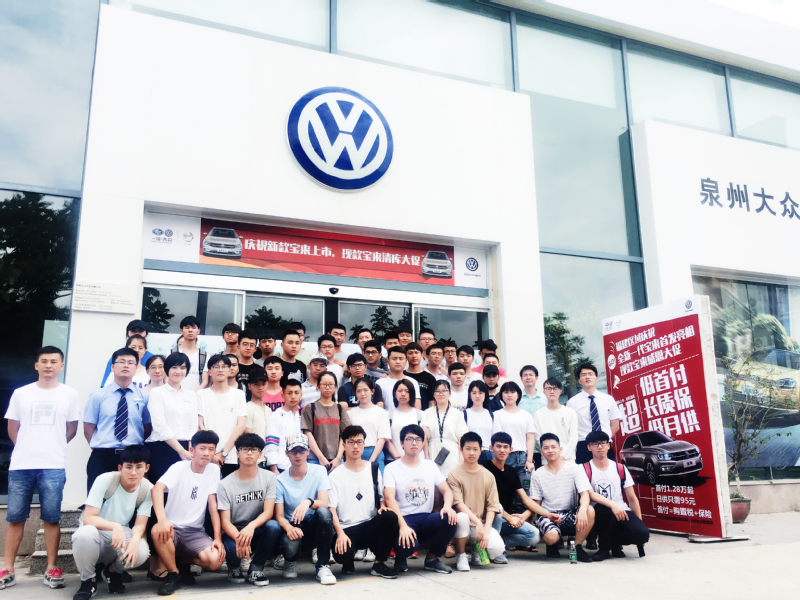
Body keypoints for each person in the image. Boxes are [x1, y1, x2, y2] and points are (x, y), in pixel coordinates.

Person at [2, 347, 79, 591]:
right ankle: (8, 569)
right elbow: (12, 428)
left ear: (61, 366)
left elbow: (72, 429)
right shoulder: (21, 393)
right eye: (44, 361)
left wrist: (52, 446)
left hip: (53, 465)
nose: (48, 365)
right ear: (36, 365)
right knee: (15, 518)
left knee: (51, 518)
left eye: (53, 362)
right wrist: (27, 447)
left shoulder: (70, 394)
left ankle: (51, 568)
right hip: (21, 465)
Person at [71, 445, 153, 600]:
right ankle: (88, 580)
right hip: (96, 533)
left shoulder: (148, 489)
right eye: (129, 467)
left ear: (146, 468)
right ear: (120, 468)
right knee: (84, 533)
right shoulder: (105, 480)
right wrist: (115, 526)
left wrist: (135, 539)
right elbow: (88, 518)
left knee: (142, 550)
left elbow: (140, 524)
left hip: (119, 536)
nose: (133, 472)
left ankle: (113, 572)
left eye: (138, 467)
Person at [151, 431, 225, 595]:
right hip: (172, 529)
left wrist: (217, 538)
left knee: (216, 560)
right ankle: (173, 575)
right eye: (202, 448)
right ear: (192, 450)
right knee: (157, 530)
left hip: (195, 531)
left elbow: (213, 506)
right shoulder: (179, 467)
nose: (206, 453)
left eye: (211, 449)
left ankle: (181, 562)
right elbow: (156, 489)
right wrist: (162, 520)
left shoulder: (213, 470)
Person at [383, 424, 458, 574]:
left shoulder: (430, 466)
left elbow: (447, 491)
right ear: (402, 443)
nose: (414, 443)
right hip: (403, 518)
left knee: (449, 519)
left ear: (423, 443)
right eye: (409, 439)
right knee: (407, 546)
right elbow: (389, 498)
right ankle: (400, 557)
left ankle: (432, 559)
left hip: (425, 519)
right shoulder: (392, 468)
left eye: (418, 439)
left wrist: (447, 507)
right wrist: (403, 526)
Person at [329, 425, 399, 578]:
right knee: (342, 555)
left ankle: (379, 564)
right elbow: (331, 508)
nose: (356, 446)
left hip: (369, 525)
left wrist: (382, 506)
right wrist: (340, 533)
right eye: (351, 442)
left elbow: (381, 497)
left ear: (364, 444)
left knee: (390, 517)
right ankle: (348, 561)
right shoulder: (335, 475)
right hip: (347, 528)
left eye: (359, 442)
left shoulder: (373, 469)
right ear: (344, 445)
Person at [84, 347, 152, 493]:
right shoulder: (97, 396)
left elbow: (147, 426)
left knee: (130, 499)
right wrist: (100, 445)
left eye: (130, 363)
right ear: (112, 367)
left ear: (136, 368)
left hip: (133, 457)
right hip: (103, 456)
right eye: (121, 362)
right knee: (98, 498)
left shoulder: (145, 397)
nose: (126, 365)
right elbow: (88, 427)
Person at [218, 433, 281, 585]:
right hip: (233, 531)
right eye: (245, 449)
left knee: (273, 526)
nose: (249, 453)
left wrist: (251, 526)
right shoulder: (224, 484)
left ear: (260, 454)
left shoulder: (269, 477)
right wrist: (241, 540)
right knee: (233, 550)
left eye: (254, 449)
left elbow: (268, 512)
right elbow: (225, 522)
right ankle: (234, 567)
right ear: (237, 453)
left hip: (256, 528)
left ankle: (256, 569)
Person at [275, 433, 336, 585]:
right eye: (293, 451)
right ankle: (290, 561)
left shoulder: (319, 471)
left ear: (308, 452)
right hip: (292, 526)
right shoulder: (279, 480)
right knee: (290, 545)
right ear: (286, 453)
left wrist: (308, 502)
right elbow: (279, 516)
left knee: (324, 513)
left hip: (312, 524)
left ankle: (323, 566)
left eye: (302, 450)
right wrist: (289, 528)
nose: (298, 455)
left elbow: (324, 503)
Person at [583, 431, 649, 561]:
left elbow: (632, 499)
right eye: (595, 444)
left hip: (621, 510)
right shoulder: (584, 469)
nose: (600, 447)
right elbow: (591, 494)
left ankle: (614, 543)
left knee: (642, 534)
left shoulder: (620, 468)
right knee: (604, 509)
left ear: (608, 445)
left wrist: (640, 522)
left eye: (603, 443)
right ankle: (604, 548)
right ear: (589, 447)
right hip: (598, 514)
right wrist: (613, 505)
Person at [529, 433, 594, 562]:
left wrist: (582, 511)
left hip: (570, 514)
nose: (550, 450)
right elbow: (536, 503)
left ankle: (577, 547)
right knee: (551, 537)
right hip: (548, 515)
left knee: (589, 511)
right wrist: (540, 515)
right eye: (546, 448)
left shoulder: (574, 469)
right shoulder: (537, 474)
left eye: (553, 447)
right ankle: (552, 544)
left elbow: (584, 494)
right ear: (541, 452)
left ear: (560, 449)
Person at [448, 432, 505, 571]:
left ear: (480, 451)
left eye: (475, 449)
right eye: (468, 449)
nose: (472, 453)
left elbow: (492, 506)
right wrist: (478, 522)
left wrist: (486, 530)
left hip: (479, 527)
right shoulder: (454, 474)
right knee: (462, 517)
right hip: (461, 527)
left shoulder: (488, 475)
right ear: (461, 450)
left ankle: (475, 551)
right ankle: (461, 554)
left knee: (498, 548)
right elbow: (458, 504)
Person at [480, 433, 541, 558]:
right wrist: (509, 518)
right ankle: (496, 552)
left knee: (534, 535)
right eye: (498, 446)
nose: (502, 450)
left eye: (505, 447)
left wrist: (549, 514)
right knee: (498, 508)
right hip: (487, 518)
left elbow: (525, 499)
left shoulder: (511, 471)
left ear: (510, 449)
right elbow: (489, 502)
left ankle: (500, 543)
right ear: (491, 448)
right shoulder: (484, 468)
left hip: (503, 520)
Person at [145, 352, 199, 482]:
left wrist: (190, 448)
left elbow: (193, 423)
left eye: (182, 367)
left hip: (187, 448)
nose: (178, 371)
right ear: (167, 369)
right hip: (162, 447)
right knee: (162, 489)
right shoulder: (157, 393)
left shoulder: (191, 395)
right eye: (174, 367)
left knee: (183, 488)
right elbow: (159, 425)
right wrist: (180, 450)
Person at [197, 354, 247, 477]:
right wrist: (211, 453)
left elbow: (241, 426)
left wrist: (224, 453)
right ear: (209, 372)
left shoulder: (239, 395)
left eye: (224, 366)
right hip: (207, 456)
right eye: (216, 366)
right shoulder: (201, 395)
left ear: (229, 370)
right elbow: (200, 425)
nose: (220, 369)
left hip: (230, 456)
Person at [567, 364, 622, 465]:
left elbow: (615, 425)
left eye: (590, 374)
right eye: (583, 375)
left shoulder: (608, 399)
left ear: (596, 378)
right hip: (584, 445)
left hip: (605, 445)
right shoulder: (572, 402)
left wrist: (603, 440)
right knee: (584, 473)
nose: (587, 377)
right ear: (579, 381)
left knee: (608, 472)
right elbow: (570, 428)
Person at [491, 382, 535, 503]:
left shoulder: (526, 415)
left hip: (523, 457)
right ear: (501, 395)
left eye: (512, 392)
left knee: (524, 492)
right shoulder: (497, 415)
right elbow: (497, 438)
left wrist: (529, 460)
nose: (509, 395)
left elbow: (530, 438)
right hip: (505, 457)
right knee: (505, 492)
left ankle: (522, 515)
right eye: (506, 392)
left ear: (518, 395)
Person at [302, 371, 350, 470]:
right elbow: (307, 433)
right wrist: (320, 457)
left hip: (336, 460)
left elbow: (345, 435)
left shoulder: (340, 409)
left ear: (335, 387)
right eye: (324, 384)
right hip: (314, 459)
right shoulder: (310, 407)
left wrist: (338, 457)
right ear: (318, 386)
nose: (327, 387)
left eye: (330, 384)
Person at [423, 380, 468, 477]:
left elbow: (461, 438)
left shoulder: (457, 414)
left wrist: (461, 460)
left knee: (451, 482)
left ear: (449, 393)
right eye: (438, 391)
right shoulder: (426, 413)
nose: (441, 394)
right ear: (433, 394)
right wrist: (426, 458)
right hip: (432, 452)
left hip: (452, 454)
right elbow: (425, 439)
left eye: (444, 391)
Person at [346, 378, 390, 474]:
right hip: (355, 453)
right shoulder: (350, 413)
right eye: (359, 391)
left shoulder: (381, 412)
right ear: (355, 394)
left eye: (365, 390)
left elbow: (382, 439)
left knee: (378, 482)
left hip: (375, 453)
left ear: (372, 391)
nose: (362, 393)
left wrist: (372, 460)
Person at [533, 378, 578, 465]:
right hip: (547, 459)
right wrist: (550, 454)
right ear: (544, 391)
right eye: (549, 388)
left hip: (568, 458)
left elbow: (574, 437)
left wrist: (564, 455)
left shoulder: (570, 412)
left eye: (555, 388)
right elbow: (538, 438)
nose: (552, 391)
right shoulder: (538, 414)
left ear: (560, 391)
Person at [99, 320, 153, 387]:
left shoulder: (152, 359)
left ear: (146, 335)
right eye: (133, 331)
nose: (137, 334)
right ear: (127, 335)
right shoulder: (117, 358)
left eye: (140, 331)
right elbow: (105, 386)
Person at [265, 380, 304, 474]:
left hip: (299, 468)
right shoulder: (275, 417)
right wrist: (274, 469)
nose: (293, 396)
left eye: (296, 393)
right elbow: (271, 444)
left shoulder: (301, 418)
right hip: (281, 467)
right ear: (282, 395)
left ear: (301, 395)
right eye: (289, 393)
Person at [384, 380, 425, 463]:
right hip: (394, 460)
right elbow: (387, 440)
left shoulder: (420, 414)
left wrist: (409, 456)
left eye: (407, 391)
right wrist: (397, 456)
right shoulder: (388, 415)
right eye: (400, 391)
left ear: (412, 394)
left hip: (416, 460)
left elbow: (423, 439)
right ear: (395, 394)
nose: (403, 394)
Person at [375, 346, 420, 415]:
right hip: (386, 419)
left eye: (401, 359)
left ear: (405, 361)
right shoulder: (380, 383)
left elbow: (417, 406)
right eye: (394, 359)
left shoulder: (413, 382)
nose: (398, 362)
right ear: (388, 361)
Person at [244, 368, 273, 468]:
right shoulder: (247, 408)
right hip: (255, 461)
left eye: (263, 384)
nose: (260, 387)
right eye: (256, 384)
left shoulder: (269, 410)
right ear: (249, 386)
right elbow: (248, 436)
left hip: (269, 460)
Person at [173, 316, 206, 392]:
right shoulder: (171, 353)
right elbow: (167, 377)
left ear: (198, 331)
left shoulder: (204, 355)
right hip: (175, 395)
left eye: (193, 328)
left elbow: (205, 381)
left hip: (197, 396)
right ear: (181, 331)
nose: (190, 330)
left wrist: (194, 395)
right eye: (187, 328)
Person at [464, 380, 494, 461]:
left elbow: (494, 436)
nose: (477, 396)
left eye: (480, 393)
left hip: (488, 453)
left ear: (485, 394)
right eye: (474, 393)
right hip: (471, 453)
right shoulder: (464, 414)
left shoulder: (490, 414)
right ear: (470, 395)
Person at [404, 343, 437, 408]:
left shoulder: (430, 378)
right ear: (406, 356)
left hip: (425, 413)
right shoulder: (402, 375)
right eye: (410, 353)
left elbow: (431, 402)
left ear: (421, 355)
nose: (414, 356)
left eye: (416, 353)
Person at [233, 330, 260, 398]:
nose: (248, 348)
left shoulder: (260, 370)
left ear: (255, 349)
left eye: (252, 345)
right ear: (238, 347)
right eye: (245, 344)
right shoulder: (230, 367)